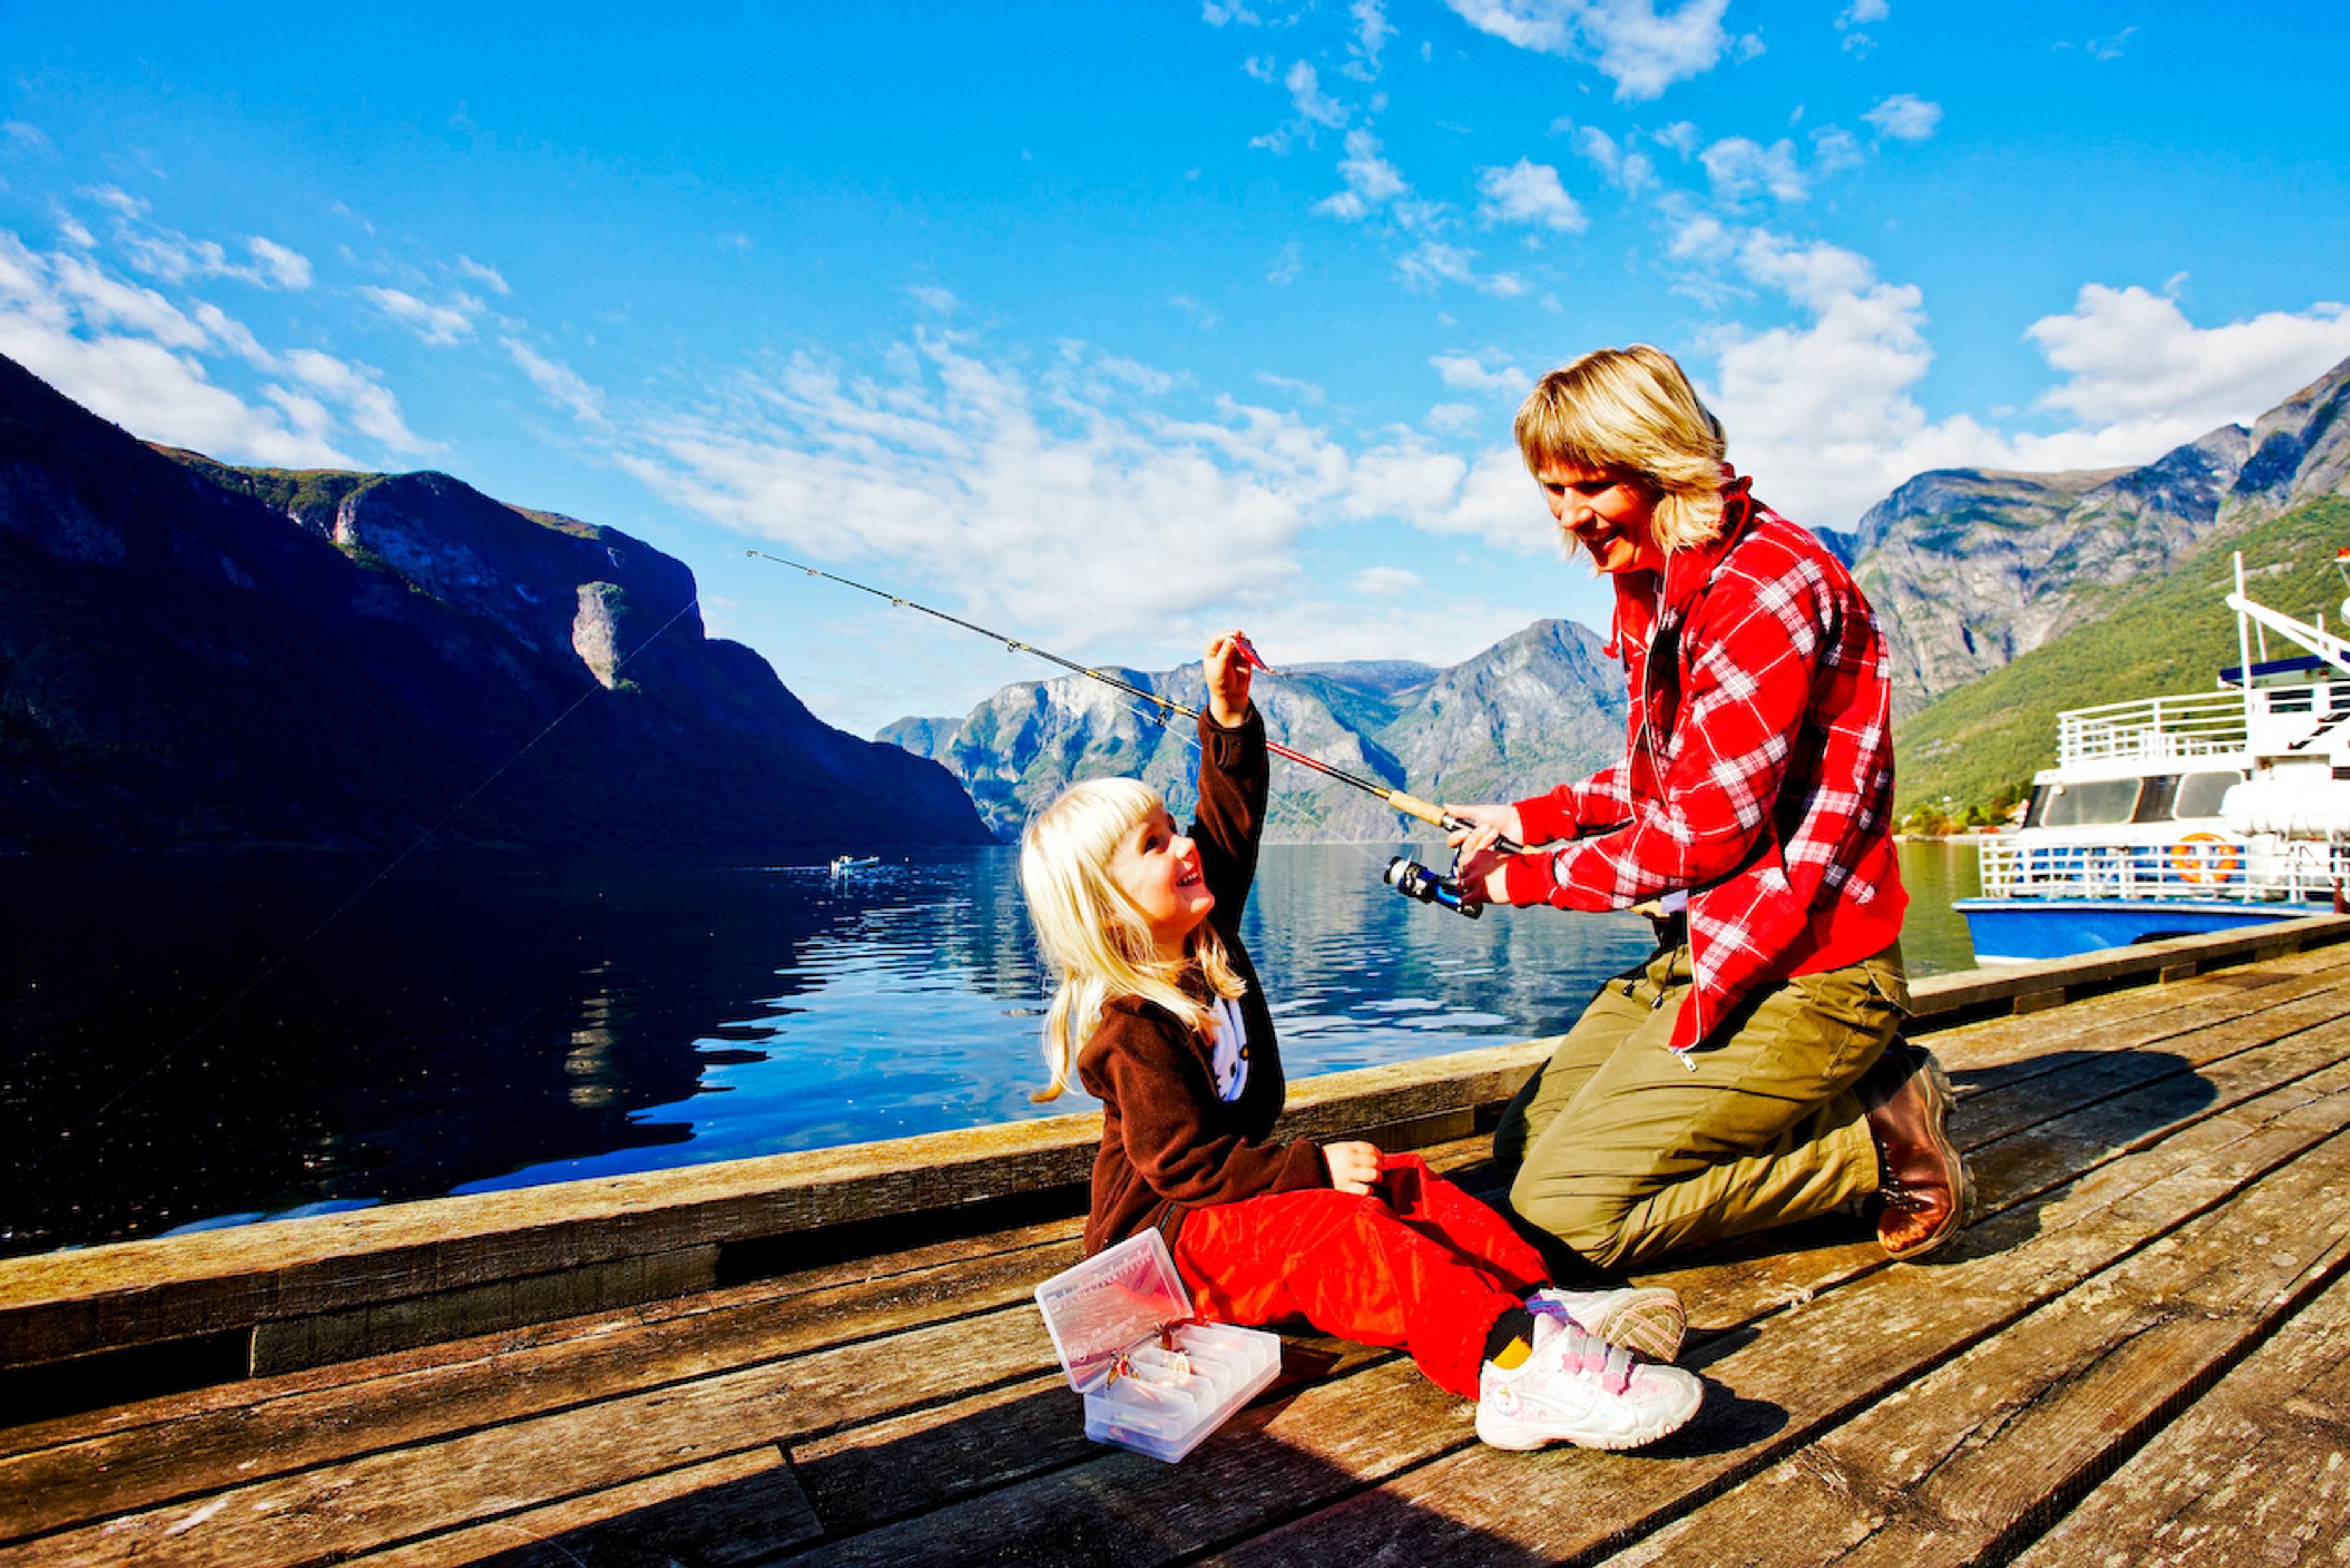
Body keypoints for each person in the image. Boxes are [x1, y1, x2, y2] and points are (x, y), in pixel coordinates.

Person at [1021, 630, 1701, 1452]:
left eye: (1174, 825)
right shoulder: (1132, 1029)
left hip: (1218, 1207)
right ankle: (1510, 1364)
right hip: (1164, 1253)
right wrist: (1309, 1170)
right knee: (1338, 1231)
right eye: (1156, 845)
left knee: (1399, 1179)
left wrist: (1230, 716)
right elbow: (1186, 1168)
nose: (1188, 844)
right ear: (1110, 912)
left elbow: (1230, 826)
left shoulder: (1203, 943)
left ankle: (1536, 1297)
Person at [1448, 344, 1971, 1274]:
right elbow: (1665, 780)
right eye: (1551, 491)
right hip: (1709, 952)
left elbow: (1702, 830)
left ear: (1658, 459)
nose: (1568, 519)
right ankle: (1852, 1095)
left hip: (1813, 972)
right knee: (1522, 1153)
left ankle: (1871, 1138)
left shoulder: (1762, 590)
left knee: (1564, 1212)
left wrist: (1526, 878)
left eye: (1587, 487)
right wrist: (1528, 818)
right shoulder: (1663, 578)